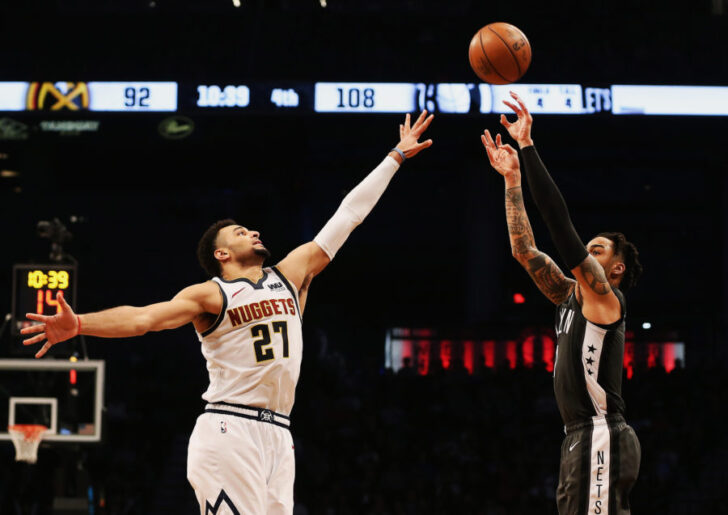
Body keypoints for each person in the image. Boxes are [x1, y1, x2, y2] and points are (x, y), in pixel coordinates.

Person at [20, 110, 435, 514]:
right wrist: (79, 325)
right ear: (221, 253)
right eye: (240, 232)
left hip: (279, 434)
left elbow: (347, 216)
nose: (253, 231)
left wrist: (394, 157)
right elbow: (144, 319)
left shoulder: (289, 275)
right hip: (228, 428)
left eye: (251, 229)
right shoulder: (211, 294)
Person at [481, 92, 642, 515]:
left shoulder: (606, 298)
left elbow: (557, 220)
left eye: (598, 250)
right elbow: (524, 250)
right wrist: (511, 182)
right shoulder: (570, 295)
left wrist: (528, 146)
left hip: (600, 432)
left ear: (618, 269)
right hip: (578, 436)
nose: (588, 253)